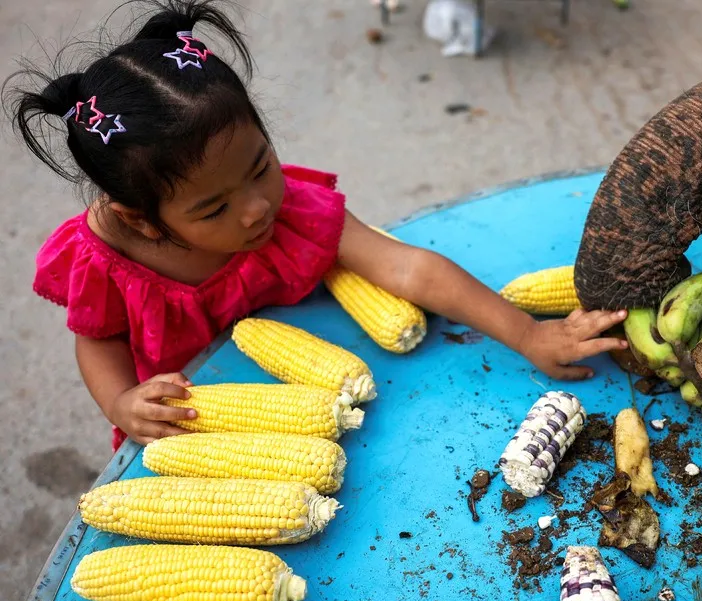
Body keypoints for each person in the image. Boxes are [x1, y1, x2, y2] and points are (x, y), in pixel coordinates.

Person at [6, 0, 627, 448]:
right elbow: (98, 339)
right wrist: (120, 402)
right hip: (196, 415)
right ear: (141, 222)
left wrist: (526, 335)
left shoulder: (288, 210)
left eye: (261, 166)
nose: (255, 208)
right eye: (214, 209)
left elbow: (405, 265)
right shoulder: (110, 260)